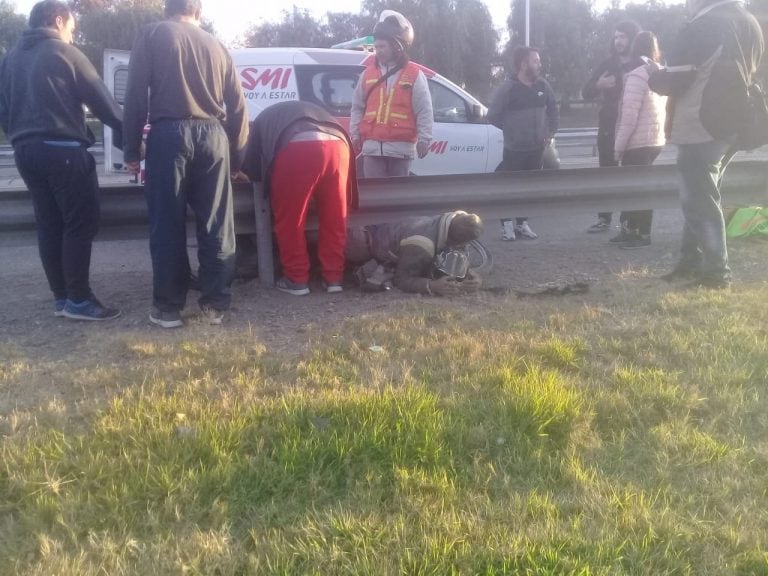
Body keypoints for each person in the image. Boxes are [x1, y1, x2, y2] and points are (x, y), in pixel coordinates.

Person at [122, 0, 249, 328]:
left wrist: (131, 151)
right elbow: (237, 107)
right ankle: (215, 306)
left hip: (168, 135)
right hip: (213, 136)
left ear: (167, 9)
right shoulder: (218, 45)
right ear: (199, 12)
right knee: (217, 225)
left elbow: (135, 95)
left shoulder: (152, 35)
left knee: (166, 224)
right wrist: (237, 158)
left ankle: (167, 309)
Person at [0, 0, 124, 321]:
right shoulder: (64, 53)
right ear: (58, 20)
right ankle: (80, 300)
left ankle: (62, 297)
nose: (72, 35)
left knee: (49, 223)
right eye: (72, 27)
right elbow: (104, 104)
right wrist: (130, 137)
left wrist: (22, 135)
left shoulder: (10, 58)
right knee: (80, 222)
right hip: (63, 150)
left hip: (25, 151)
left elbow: (3, 111)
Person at [650, 0, 763, 288]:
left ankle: (716, 272)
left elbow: (674, 81)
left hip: (701, 122)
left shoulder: (702, 25)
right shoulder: (750, 21)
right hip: (735, 123)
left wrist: (654, 74)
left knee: (698, 198)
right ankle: (691, 262)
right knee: (703, 194)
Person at [242, 101, 358, 296]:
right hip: (340, 145)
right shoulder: (303, 109)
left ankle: (296, 280)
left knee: (291, 220)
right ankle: (334, 278)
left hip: (297, 148)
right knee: (335, 219)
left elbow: (252, 168)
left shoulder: (261, 121)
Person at [349, 10, 433, 178]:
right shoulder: (367, 74)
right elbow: (357, 107)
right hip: (372, 149)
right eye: (376, 47)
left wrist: (425, 138)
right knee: (375, 196)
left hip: (400, 150)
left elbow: (424, 109)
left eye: (382, 46)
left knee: (398, 198)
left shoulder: (414, 74)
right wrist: (355, 133)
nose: (378, 51)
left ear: (396, 47)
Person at [488, 46, 559, 241]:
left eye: (539, 60)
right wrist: (512, 130)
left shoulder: (542, 86)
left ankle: (522, 224)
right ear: (523, 64)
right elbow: (492, 115)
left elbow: (553, 109)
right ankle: (507, 226)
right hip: (514, 149)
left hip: (536, 148)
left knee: (529, 189)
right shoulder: (508, 88)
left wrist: (550, 131)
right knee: (509, 188)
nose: (539, 64)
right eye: (535, 60)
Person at [583, 20, 642, 233]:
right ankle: (604, 218)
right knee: (606, 174)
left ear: (633, 38)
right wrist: (599, 85)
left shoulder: (641, 63)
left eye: (623, 37)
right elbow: (585, 92)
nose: (618, 41)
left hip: (634, 127)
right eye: (616, 37)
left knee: (630, 176)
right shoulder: (607, 64)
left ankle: (627, 222)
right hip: (608, 127)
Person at [611, 31, 667, 249]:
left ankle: (641, 233)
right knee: (640, 187)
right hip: (655, 139)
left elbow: (629, 116)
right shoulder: (660, 72)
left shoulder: (636, 75)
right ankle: (632, 230)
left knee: (638, 189)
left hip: (638, 142)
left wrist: (618, 147)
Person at [345, 211, 484, 296]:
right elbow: (402, 279)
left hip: (375, 235)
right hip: (358, 245)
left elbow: (451, 256)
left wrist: (471, 276)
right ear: (453, 240)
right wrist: (432, 286)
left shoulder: (450, 220)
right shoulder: (422, 244)